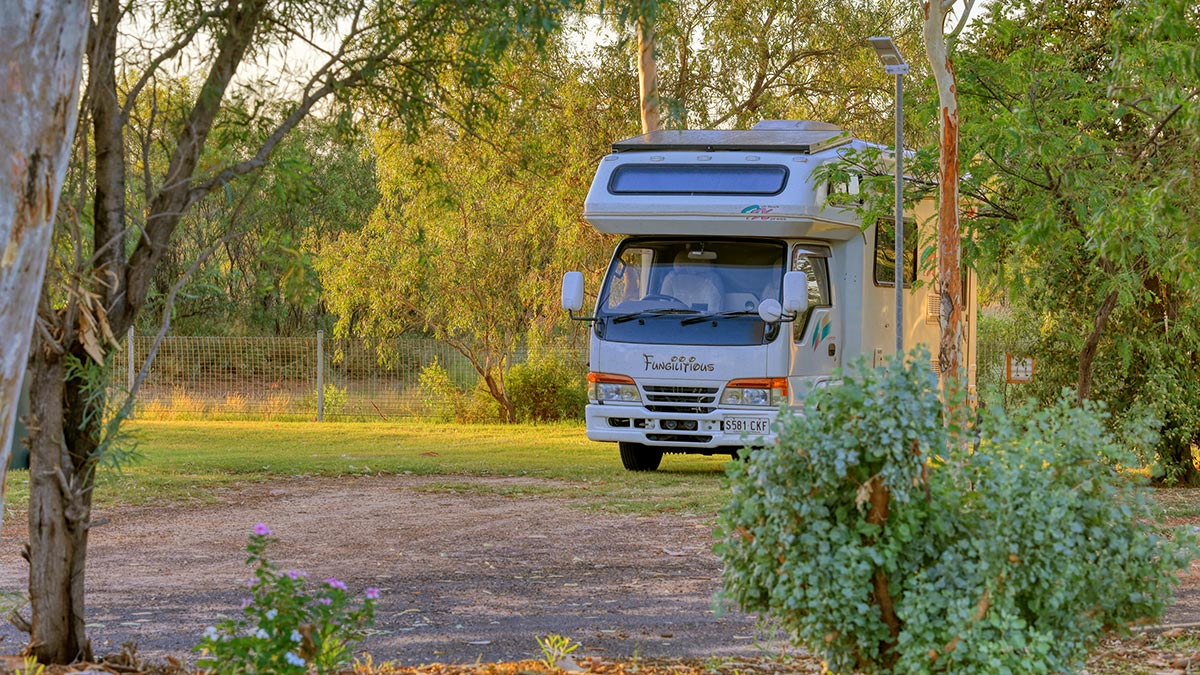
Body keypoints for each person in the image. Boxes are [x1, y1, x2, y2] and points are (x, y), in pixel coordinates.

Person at [660, 250, 724, 310]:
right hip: (674, 319)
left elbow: (714, 311)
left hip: (704, 320)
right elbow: (664, 306)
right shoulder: (671, 278)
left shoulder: (712, 280)